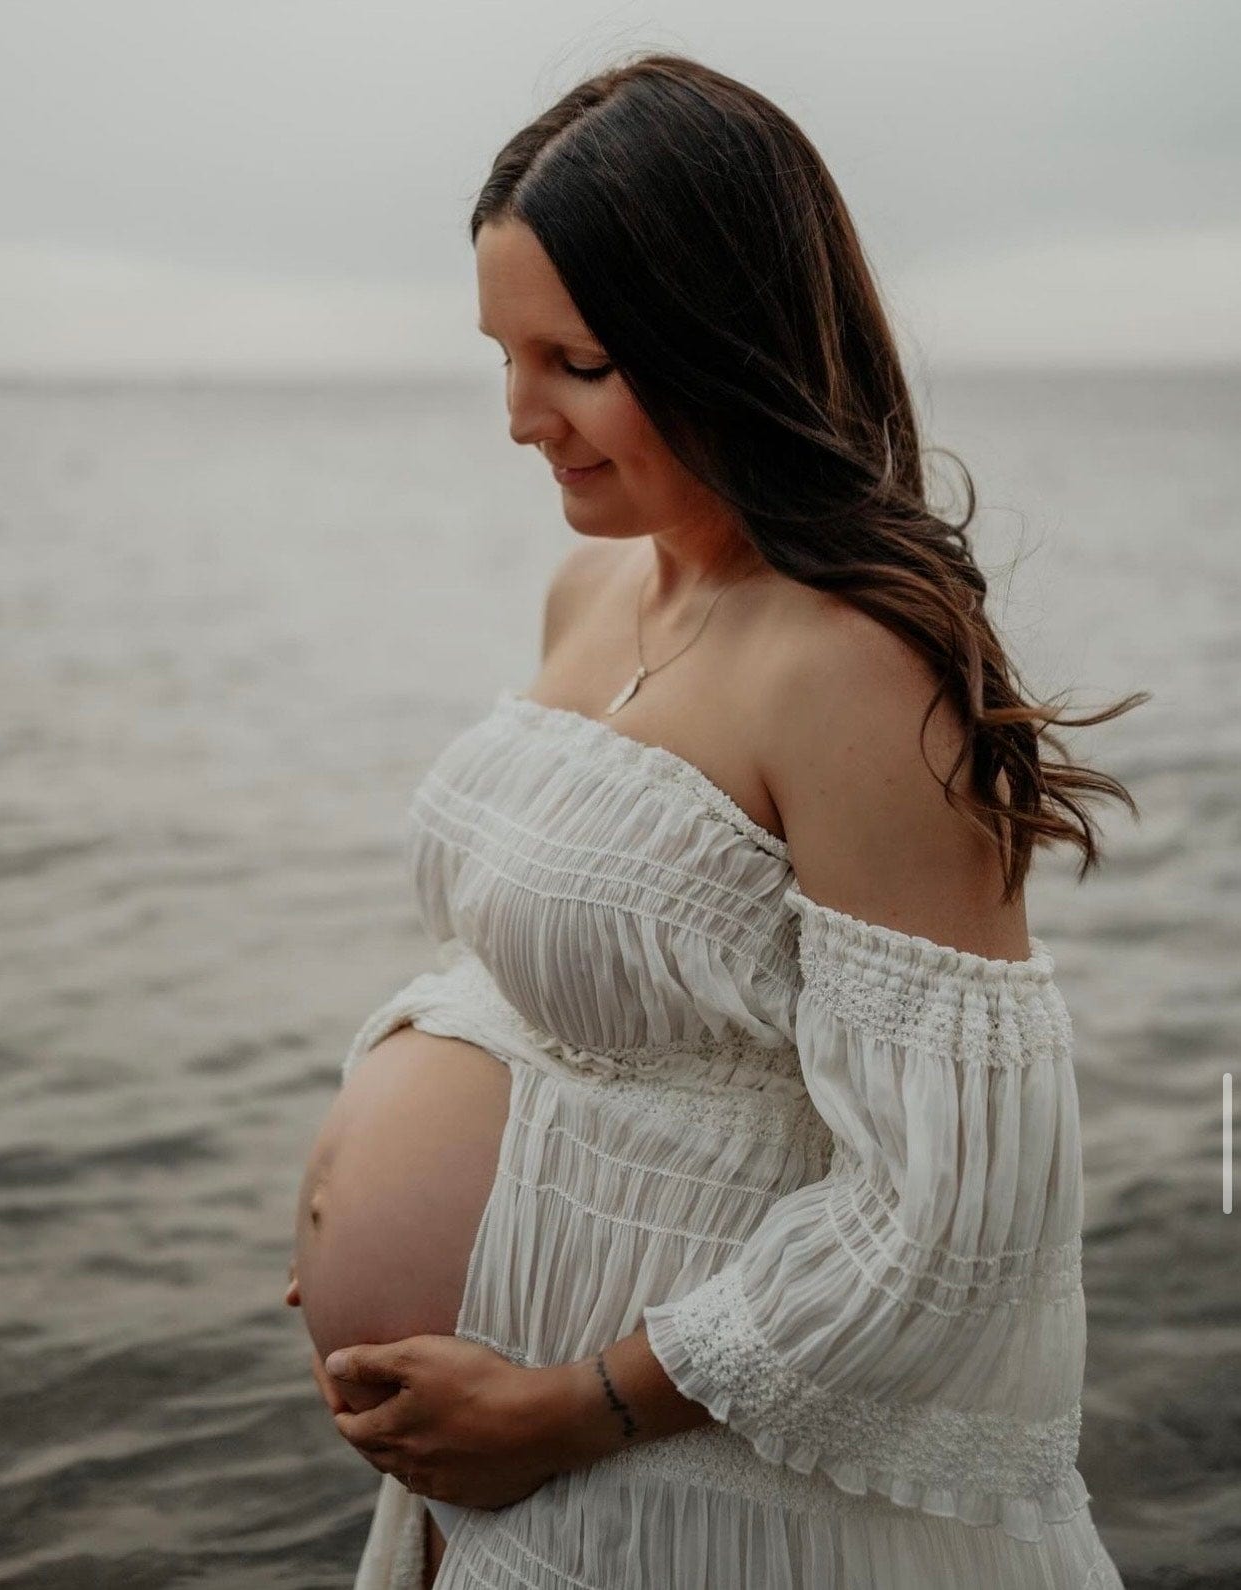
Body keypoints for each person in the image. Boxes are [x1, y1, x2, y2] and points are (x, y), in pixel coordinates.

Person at [310, 50, 1144, 1589]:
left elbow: (956, 1206)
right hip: (499, 1456)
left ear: (725, 342)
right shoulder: (593, 586)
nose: (518, 416)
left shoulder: (848, 665)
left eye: (574, 362)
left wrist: (566, 1408)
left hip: (702, 1485)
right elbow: (556, 956)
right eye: (499, 355)